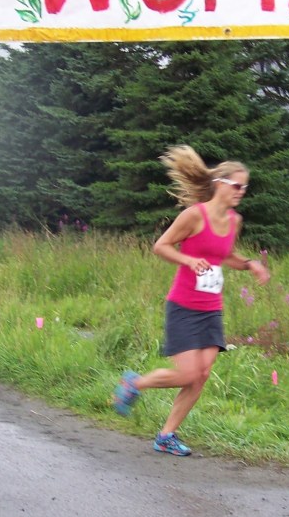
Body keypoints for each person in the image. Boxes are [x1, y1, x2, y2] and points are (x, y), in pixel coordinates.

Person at [111, 145, 270, 456]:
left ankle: (166, 436)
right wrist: (187, 260)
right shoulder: (193, 215)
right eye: (237, 186)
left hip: (211, 308)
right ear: (220, 184)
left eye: (245, 187)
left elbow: (225, 256)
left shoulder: (234, 221)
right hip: (183, 306)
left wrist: (250, 264)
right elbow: (161, 246)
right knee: (187, 374)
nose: (242, 191)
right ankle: (135, 383)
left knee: (202, 374)